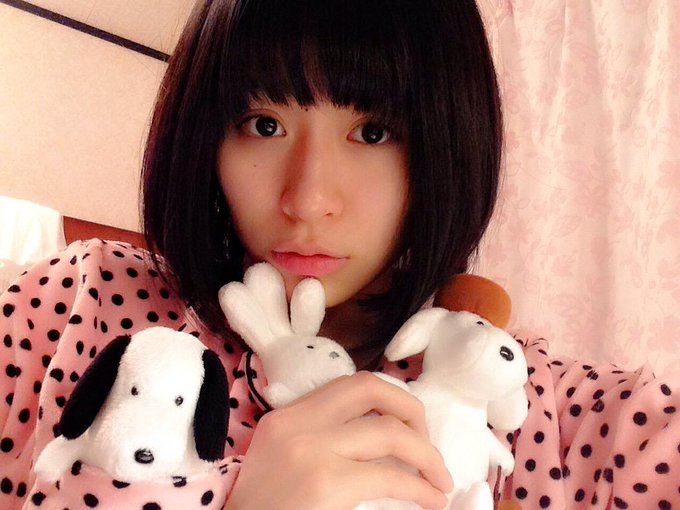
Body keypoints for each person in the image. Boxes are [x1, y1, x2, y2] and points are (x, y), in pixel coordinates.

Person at [1, 0, 678, 509]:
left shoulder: (526, 404)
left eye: (373, 132)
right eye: (264, 124)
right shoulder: (74, 304)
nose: (307, 199)